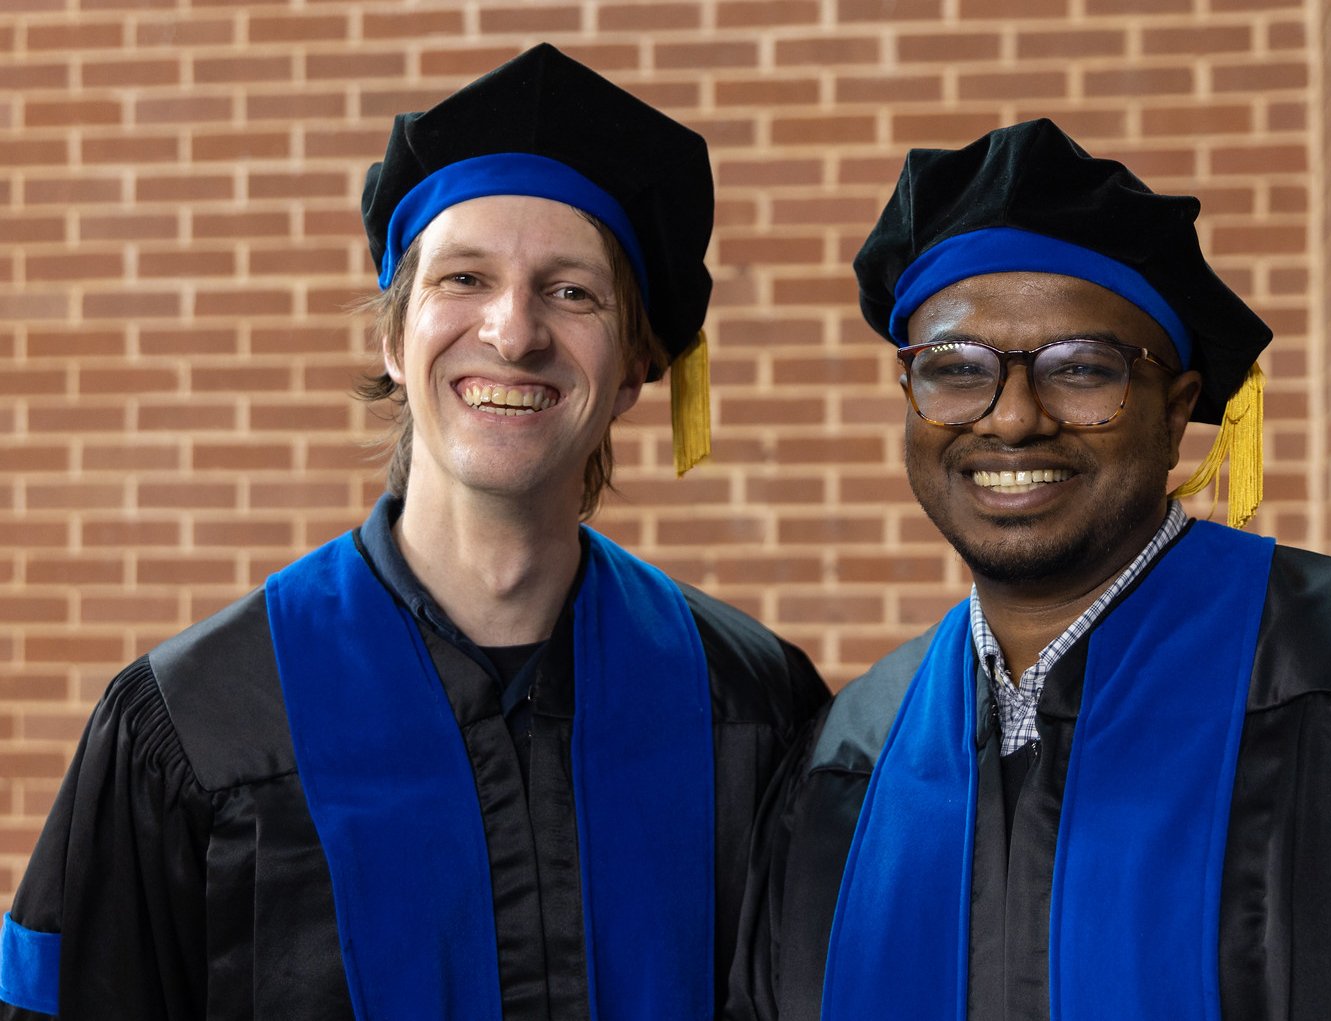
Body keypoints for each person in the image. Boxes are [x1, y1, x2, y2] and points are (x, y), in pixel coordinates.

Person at [0, 44, 827, 1021]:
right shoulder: (195, 724)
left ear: (638, 362)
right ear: (393, 339)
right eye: (464, 278)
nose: (514, 332)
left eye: (572, 291)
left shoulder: (751, 708)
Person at [725, 119, 1331, 1020]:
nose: (1010, 419)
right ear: (910, 402)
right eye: (955, 367)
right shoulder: (849, 755)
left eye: (1082, 369)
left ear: (1177, 411)